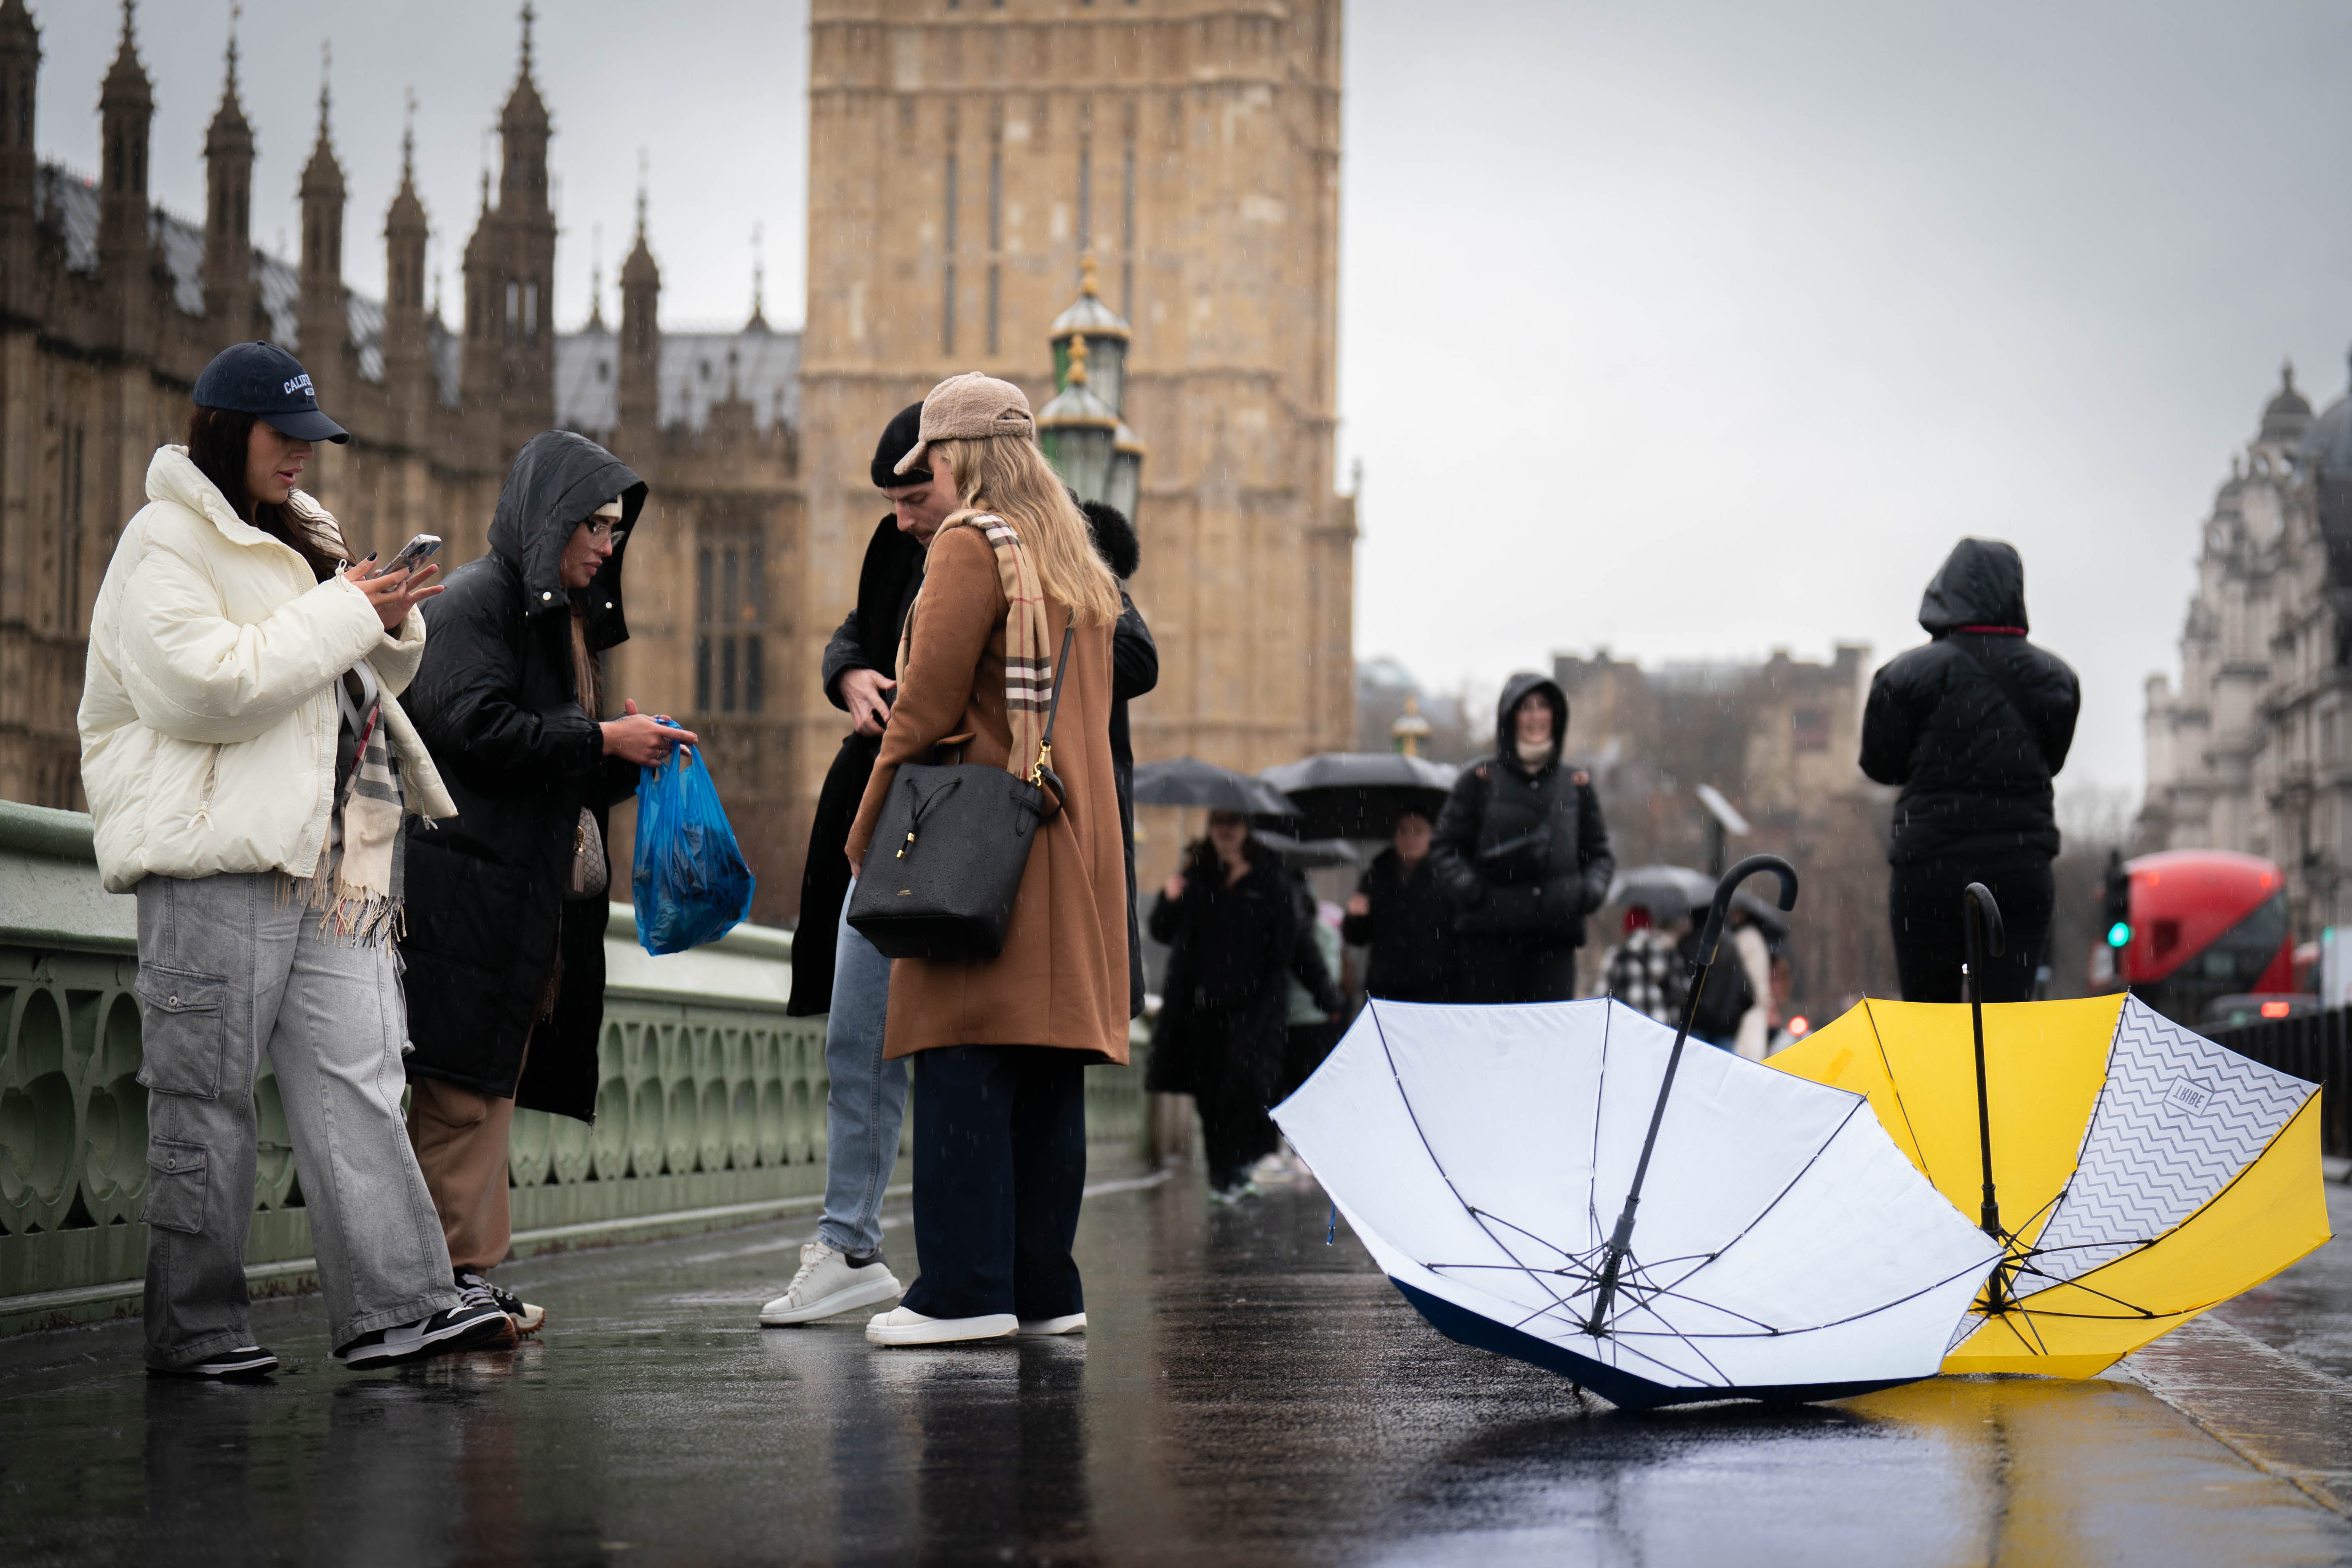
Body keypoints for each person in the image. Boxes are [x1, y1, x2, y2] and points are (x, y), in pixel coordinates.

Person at [77, 341, 514, 1375]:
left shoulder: (300, 536)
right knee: (207, 1099)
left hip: (337, 855)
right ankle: (196, 1331)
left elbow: (345, 669)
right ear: (226, 431)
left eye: (313, 440)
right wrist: (341, 609)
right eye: (286, 438)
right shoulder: (164, 545)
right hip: (215, 856)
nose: (303, 459)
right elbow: (204, 688)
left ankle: (395, 1308)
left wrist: (385, 620)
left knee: (358, 1080)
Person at [845, 372, 1130, 1347]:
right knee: (1046, 1067)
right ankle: (1044, 1284)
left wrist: (868, 833)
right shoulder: (1075, 558)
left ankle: (964, 1290)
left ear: (958, 455)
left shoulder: (971, 545)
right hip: (1070, 844)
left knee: (963, 1053)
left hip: (982, 847)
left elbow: (920, 712)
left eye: (929, 457)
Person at [398, 430, 695, 1335]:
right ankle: (434, 1282)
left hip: (515, 904)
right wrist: (601, 739)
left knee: (486, 1089)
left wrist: (624, 754)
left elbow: (544, 769)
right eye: (592, 523)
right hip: (462, 895)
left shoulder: (558, 623)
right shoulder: (476, 604)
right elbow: (469, 730)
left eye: (615, 525)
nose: (608, 542)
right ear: (548, 521)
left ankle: (464, 1276)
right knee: (457, 1094)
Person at [764, 404, 945, 1327]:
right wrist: (851, 676)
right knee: (858, 1034)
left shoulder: (1009, 552)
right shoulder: (899, 546)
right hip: (881, 819)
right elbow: (851, 632)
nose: (902, 516)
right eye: (892, 500)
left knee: (957, 1054)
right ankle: (851, 1242)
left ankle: (983, 1268)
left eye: (916, 497)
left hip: (955, 824)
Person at [1861, 539, 2079, 1002]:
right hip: (2020, 868)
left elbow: (1880, 766)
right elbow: (2053, 762)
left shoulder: (1903, 677)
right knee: (2007, 1024)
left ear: (1946, 593)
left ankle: (1934, 1076)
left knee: (1927, 1021)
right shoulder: (2057, 680)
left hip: (1929, 868)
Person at [1429, 673, 1615, 1004]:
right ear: (1509, 716)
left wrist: (1586, 893)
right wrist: (1473, 892)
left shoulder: (1575, 784)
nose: (1535, 716)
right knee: (1493, 1042)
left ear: (1555, 716)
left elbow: (1599, 854)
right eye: (1525, 708)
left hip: (1554, 942)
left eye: (1543, 707)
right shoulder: (1478, 781)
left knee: (1548, 1043)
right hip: (1488, 943)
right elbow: (1445, 849)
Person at [1146, 812, 1300, 1202]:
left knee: (1243, 1088)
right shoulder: (1197, 877)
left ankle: (1237, 1166)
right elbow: (1161, 929)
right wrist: (1169, 897)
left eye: (1233, 824)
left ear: (1246, 830)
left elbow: (1289, 946)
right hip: (1200, 1008)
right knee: (1208, 1092)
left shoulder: (1269, 880)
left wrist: (1322, 992)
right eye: (1219, 825)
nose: (1226, 833)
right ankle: (1222, 1174)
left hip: (1253, 1010)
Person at [1341, 810, 1455, 1002]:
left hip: (1435, 988)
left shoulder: (1446, 876)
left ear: (1432, 836)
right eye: (1403, 831)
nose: (1409, 838)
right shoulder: (1376, 875)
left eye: (1418, 832)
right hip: (1386, 988)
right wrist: (1355, 917)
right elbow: (1357, 937)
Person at [1600, 901, 1689, 1027]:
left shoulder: (1616, 955)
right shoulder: (1667, 953)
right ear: (1650, 926)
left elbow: (1603, 994)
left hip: (1628, 1026)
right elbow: (1682, 991)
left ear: (1627, 927)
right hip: (1661, 1027)